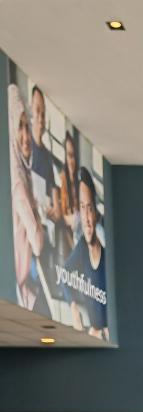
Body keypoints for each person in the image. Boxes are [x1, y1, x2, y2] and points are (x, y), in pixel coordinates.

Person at [8, 84, 44, 309]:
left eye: (26, 126)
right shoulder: (19, 183)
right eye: (19, 127)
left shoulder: (22, 173)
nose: (25, 135)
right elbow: (38, 245)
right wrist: (38, 217)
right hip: (22, 285)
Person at [62, 167, 108, 338]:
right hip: (95, 333)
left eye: (90, 208)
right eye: (82, 208)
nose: (87, 219)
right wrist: (73, 308)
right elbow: (64, 274)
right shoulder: (82, 247)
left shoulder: (107, 249)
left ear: (96, 212)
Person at [29, 84, 60, 224]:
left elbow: (54, 194)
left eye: (43, 113)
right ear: (31, 109)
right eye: (37, 110)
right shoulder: (26, 146)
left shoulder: (47, 156)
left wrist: (55, 210)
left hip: (44, 223)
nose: (41, 117)